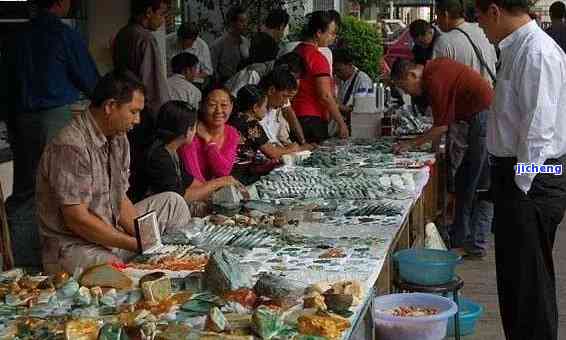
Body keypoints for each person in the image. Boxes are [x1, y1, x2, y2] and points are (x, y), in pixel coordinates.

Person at [36, 71, 191, 274]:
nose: (137, 120)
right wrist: (134, 244)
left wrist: (149, 240)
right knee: (119, 270)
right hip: (73, 246)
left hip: (110, 231)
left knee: (173, 202)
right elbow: (77, 220)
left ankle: (173, 261)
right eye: (133, 112)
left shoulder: (118, 137)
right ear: (110, 106)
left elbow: (121, 199)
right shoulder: (70, 145)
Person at [476, 0, 566, 337]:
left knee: (530, 287)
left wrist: (522, 183)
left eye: (480, 16)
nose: (479, 25)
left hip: (532, 178)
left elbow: (539, 130)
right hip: (518, 175)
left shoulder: (536, 51)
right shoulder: (516, 48)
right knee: (515, 282)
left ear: (495, 11)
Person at [0, 0, 99, 267]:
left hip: (20, 118)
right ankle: (54, 263)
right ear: (62, 2)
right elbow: (91, 82)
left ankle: (21, 265)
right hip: (52, 117)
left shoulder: (16, 36)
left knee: (25, 191)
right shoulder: (64, 34)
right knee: (61, 192)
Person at [433, 0, 497, 258]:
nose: (437, 21)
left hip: (465, 118)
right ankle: (479, 241)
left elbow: (437, 85)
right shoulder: (481, 31)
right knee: (484, 180)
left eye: (438, 15)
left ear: (446, 14)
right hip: (491, 110)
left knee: (463, 180)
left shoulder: (445, 41)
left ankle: (460, 239)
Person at [113, 0, 170, 201]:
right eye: (162, 14)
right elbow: (153, 87)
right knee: (141, 171)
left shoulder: (123, 34)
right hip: (143, 115)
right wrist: (164, 119)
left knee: (127, 165)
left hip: (123, 110)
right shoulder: (145, 38)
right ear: (148, 11)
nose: (164, 20)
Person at [141, 101, 240, 210]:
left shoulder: (172, 151)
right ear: (185, 129)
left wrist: (221, 186)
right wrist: (219, 182)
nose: (196, 131)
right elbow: (181, 197)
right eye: (194, 126)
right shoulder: (159, 156)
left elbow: (190, 182)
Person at [292, 11, 348, 143]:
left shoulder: (297, 50)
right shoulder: (317, 58)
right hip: (312, 118)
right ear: (319, 33)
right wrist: (341, 123)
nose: (334, 37)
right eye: (331, 33)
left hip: (296, 115)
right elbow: (325, 96)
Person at [229, 85, 303, 184]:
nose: (266, 109)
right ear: (255, 108)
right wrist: (292, 149)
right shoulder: (251, 125)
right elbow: (273, 153)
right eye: (265, 106)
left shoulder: (235, 119)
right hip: (239, 175)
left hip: (231, 171)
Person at [178, 88, 240, 183]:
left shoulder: (232, 132)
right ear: (201, 106)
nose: (218, 110)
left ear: (231, 107)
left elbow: (223, 171)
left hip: (212, 189)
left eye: (224, 105)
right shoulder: (190, 133)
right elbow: (194, 177)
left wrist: (208, 141)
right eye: (212, 105)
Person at [258, 68, 312, 149]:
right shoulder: (256, 112)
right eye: (284, 96)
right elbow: (269, 151)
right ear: (271, 90)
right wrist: (297, 149)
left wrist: (302, 144)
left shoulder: (273, 110)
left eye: (289, 98)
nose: (286, 102)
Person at [210, 5, 250, 83]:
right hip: (225, 84)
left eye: (246, 21)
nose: (245, 24)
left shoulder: (246, 42)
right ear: (232, 23)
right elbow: (212, 71)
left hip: (244, 82)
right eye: (242, 21)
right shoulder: (218, 45)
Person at [333, 48, 373, 122]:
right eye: (334, 71)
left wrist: (337, 106)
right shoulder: (340, 79)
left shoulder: (362, 81)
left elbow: (361, 111)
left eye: (339, 70)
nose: (337, 74)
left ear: (350, 65)